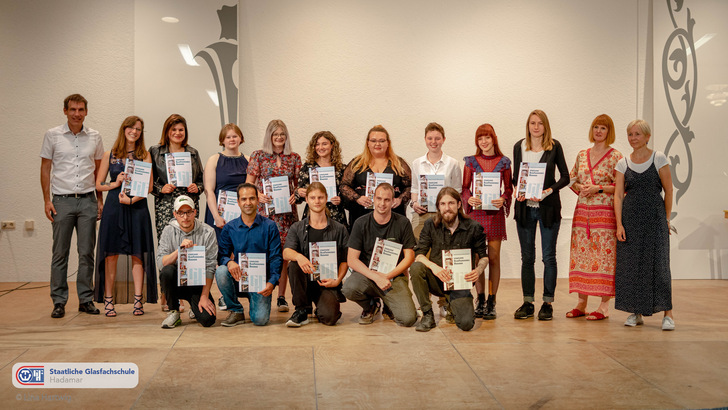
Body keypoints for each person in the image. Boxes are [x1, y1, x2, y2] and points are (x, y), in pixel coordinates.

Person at [40, 94, 103, 318]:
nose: (77, 113)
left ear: (86, 112)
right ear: (65, 111)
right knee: (60, 254)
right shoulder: (53, 135)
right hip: (61, 201)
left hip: (87, 200)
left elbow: (98, 172)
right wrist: (47, 200)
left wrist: (99, 200)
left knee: (86, 253)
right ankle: (59, 301)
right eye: (73, 109)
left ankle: (85, 300)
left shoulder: (95, 137)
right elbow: (46, 169)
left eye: (81, 109)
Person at [93, 116, 158, 316]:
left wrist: (131, 200)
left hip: (137, 207)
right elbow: (98, 185)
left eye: (138, 129)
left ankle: (138, 301)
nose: (134, 131)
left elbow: (148, 187)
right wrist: (115, 182)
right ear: (124, 129)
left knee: (138, 254)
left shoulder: (145, 155)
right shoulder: (109, 155)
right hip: (114, 207)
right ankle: (109, 301)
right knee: (111, 254)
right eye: (131, 127)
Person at [614, 120, 675, 330]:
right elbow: (618, 196)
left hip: (655, 218)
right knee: (632, 266)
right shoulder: (622, 163)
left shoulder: (658, 158)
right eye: (630, 134)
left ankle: (668, 314)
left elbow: (669, 190)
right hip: (631, 220)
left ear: (647, 137)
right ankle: (635, 312)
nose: (633, 138)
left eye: (637, 134)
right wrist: (619, 224)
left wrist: (666, 219)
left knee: (660, 265)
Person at [512, 109, 569, 320]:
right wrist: (518, 190)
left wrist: (547, 192)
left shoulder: (555, 146)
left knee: (548, 257)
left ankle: (547, 303)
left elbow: (565, 177)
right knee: (527, 258)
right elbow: (515, 178)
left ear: (546, 126)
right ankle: (528, 302)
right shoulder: (519, 146)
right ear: (528, 126)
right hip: (525, 209)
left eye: (540, 123)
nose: (536, 127)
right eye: (532, 123)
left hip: (548, 209)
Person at [566, 115, 624, 321]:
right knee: (582, 257)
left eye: (603, 128)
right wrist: (580, 187)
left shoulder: (616, 156)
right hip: (582, 215)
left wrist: (599, 188)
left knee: (603, 258)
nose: (598, 131)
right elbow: (572, 179)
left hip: (605, 215)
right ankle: (581, 303)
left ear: (609, 132)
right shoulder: (582, 154)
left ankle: (604, 306)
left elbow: (622, 188)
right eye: (596, 127)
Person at [410, 187, 489, 332]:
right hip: (437, 279)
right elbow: (419, 254)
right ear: (438, 207)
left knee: (466, 324)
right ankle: (428, 315)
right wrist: (435, 268)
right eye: (443, 204)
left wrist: (478, 270)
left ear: (459, 204)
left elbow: (484, 257)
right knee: (416, 268)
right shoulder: (430, 225)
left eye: (451, 203)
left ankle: (453, 305)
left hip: (460, 282)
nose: (447, 208)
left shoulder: (474, 227)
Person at [342, 183, 417, 327]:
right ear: (374, 199)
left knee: (408, 319)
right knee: (349, 288)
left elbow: (409, 257)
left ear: (393, 201)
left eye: (387, 200)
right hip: (367, 276)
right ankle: (371, 305)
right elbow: (351, 259)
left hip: (393, 277)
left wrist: (386, 277)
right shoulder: (361, 223)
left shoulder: (403, 223)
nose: (382, 203)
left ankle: (389, 304)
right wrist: (376, 277)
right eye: (379, 199)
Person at [246, 119, 301, 313]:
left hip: (287, 215)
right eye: (275, 134)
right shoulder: (258, 156)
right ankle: (263, 292)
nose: (279, 137)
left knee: (285, 255)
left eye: (282, 134)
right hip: (265, 214)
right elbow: (249, 183)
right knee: (265, 253)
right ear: (269, 136)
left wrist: (297, 194)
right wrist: (257, 195)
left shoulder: (294, 157)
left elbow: (299, 185)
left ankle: (281, 298)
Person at [150, 114, 203, 312]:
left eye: (181, 130)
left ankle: (188, 294)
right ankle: (167, 295)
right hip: (165, 204)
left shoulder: (193, 152)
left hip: (188, 205)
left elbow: (201, 180)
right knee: (168, 247)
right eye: (174, 130)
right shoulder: (156, 151)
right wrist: (160, 188)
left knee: (189, 247)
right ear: (167, 131)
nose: (177, 133)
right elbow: (149, 181)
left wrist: (196, 187)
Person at [462, 124, 512, 320]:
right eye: (480, 138)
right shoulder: (471, 162)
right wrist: (468, 199)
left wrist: (503, 198)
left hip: (494, 214)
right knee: (477, 258)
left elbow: (508, 188)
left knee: (493, 258)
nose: (483, 141)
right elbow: (465, 188)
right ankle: (480, 299)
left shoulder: (504, 162)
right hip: (476, 215)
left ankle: (492, 301)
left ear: (494, 139)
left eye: (487, 137)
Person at [215, 183, 283, 327]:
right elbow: (222, 255)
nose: (248, 203)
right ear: (238, 202)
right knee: (221, 271)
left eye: (252, 198)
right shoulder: (229, 228)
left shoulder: (270, 226)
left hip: (261, 283)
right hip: (238, 278)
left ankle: (255, 301)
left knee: (260, 320)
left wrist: (271, 283)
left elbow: (276, 257)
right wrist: (229, 262)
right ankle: (236, 310)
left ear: (258, 200)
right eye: (244, 199)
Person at [284, 182, 349, 327]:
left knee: (329, 319)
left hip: (326, 282)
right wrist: (299, 257)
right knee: (294, 264)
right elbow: (286, 252)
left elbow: (345, 260)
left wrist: (338, 280)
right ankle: (301, 309)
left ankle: (320, 305)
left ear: (326, 198)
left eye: (320, 197)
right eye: (313, 198)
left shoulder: (339, 229)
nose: (317, 201)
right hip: (304, 281)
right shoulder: (297, 227)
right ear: (306, 199)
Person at [156, 196, 217, 328]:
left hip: (197, 283)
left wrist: (204, 296)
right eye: (181, 213)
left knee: (208, 320)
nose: (185, 217)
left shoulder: (208, 232)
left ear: (195, 212)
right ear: (175, 214)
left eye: (188, 212)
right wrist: (179, 251)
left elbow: (210, 267)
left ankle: (194, 308)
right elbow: (161, 263)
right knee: (167, 271)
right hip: (176, 283)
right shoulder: (168, 231)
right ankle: (174, 311)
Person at [340, 125, 412, 227]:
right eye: (373, 141)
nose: (377, 144)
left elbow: (410, 186)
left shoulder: (398, 163)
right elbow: (344, 185)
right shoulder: (357, 163)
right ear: (367, 143)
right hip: (362, 214)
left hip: (392, 215)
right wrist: (357, 198)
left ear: (388, 143)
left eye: (382, 141)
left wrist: (400, 199)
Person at [410, 122, 462, 238]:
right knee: (420, 250)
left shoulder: (453, 164)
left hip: (446, 214)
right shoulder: (416, 163)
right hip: (421, 214)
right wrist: (414, 203)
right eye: (430, 138)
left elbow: (457, 191)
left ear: (443, 139)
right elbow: (414, 188)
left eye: (437, 138)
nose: (433, 142)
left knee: (444, 249)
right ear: (425, 139)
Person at [204, 123, 248, 241]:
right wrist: (216, 217)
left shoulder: (249, 160)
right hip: (219, 215)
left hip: (243, 213)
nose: (232, 139)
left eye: (235, 136)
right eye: (228, 137)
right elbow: (209, 191)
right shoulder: (214, 160)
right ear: (222, 140)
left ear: (241, 138)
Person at [295, 131, 348, 228]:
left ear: (332, 145)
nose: (321, 147)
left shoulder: (341, 168)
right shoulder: (308, 167)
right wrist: (299, 192)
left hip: (336, 216)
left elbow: (347, 194)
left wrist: (341, 200)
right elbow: (298, 197)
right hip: (313, 216)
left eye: (324, 144)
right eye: (317, 144)